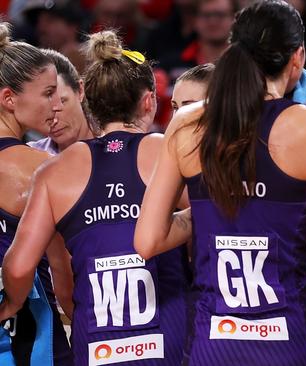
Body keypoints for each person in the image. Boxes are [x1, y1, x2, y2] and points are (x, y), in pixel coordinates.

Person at [133, 1, 306, 365]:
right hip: (291, 337)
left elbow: (148, 241)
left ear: (234, 50)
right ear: (298, 57)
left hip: (212, 339)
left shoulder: (186, 122)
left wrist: (212, 210)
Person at [0, 30, 191, 365]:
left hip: (94, 337)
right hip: (165, 332)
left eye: (57, 95)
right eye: (47, 94)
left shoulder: (56, 172)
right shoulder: (166, 151)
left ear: (85, 96)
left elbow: (19, 266)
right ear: (149, 101)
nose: (54, 105)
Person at [0, 22, 73, 366]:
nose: (57, 104)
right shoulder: (40, 167)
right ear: (9, 98)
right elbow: (65, 274)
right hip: (30, 337)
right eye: (47, 93)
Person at [28, 49, 94, 155]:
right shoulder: (29, 157)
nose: (53, 121)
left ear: (80, 90)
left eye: (61, 101)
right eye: (41, 109)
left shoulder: (119, 145)